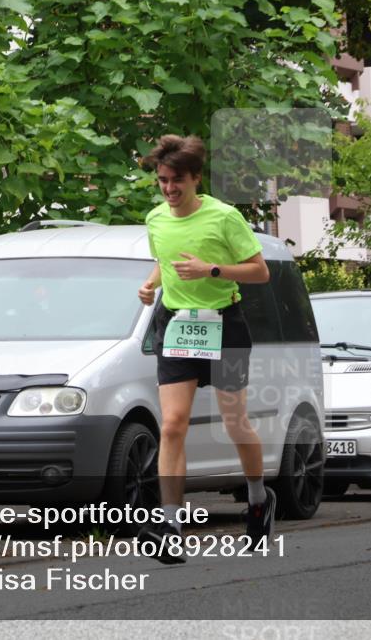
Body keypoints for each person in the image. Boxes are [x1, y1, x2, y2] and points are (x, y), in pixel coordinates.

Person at [136, 134, 273, 563]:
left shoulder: (224, 217)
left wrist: (210, 269)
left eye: (177, 180)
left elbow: (260, 272)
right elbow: (165, 259)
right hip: (177, 325)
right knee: (173, 425)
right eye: (162, 181)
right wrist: (151, 283)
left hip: (225, 325)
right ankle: (171, 525)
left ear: (196, 179)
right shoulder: (155, 219)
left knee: (235, 423)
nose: (169, 189)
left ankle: (257, 497)